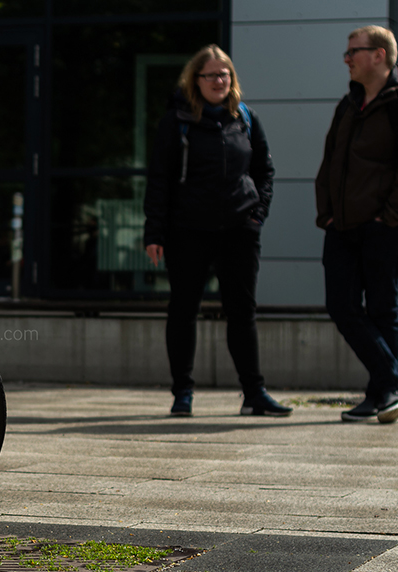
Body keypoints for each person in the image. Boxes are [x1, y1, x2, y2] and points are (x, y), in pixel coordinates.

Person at [143, 44, 291, 418]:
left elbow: (265, 172)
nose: (219, 81)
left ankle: (254, 393)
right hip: (187, 230)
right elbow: (159, 179)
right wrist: (155, 232)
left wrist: (256, 216)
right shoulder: (175, 120)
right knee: (183, 310)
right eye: (211, 75)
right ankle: (183, 393)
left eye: (224, 75)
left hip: (239, 229)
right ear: (195, 80)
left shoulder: (245, 118)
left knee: (242, 311)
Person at [315, 25, 398, 424]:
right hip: (343, 225)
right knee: (342, 305)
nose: (346, 59)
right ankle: (393, 384)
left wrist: (393, 218)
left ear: (379, 55)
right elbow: (330, 163)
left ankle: (380, 392)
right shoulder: (348, 104)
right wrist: (326, 213)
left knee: (382, 307)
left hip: (387, 225)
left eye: (353, 52)